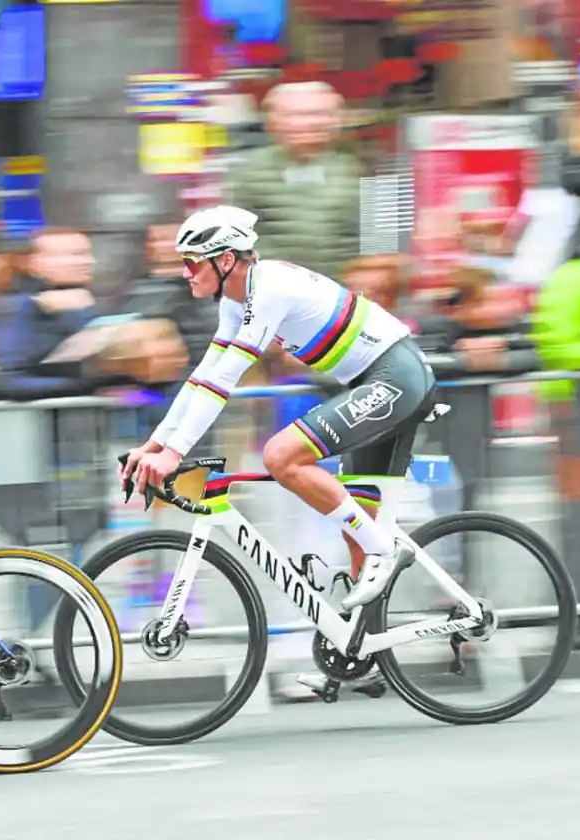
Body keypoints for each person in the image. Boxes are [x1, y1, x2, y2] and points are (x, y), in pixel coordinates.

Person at [120, 206, 437, 685]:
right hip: (369, 381)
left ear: (225, 259)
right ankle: (359, 655)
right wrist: (156, 444)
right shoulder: (236, 299)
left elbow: (225, 381)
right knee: (356, 524)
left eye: (191, 263)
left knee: (282, 456)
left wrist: (174, 453)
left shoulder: (268, 289)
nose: (184, 273)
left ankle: (385, 553)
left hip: (394, 377)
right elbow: (202, 377)